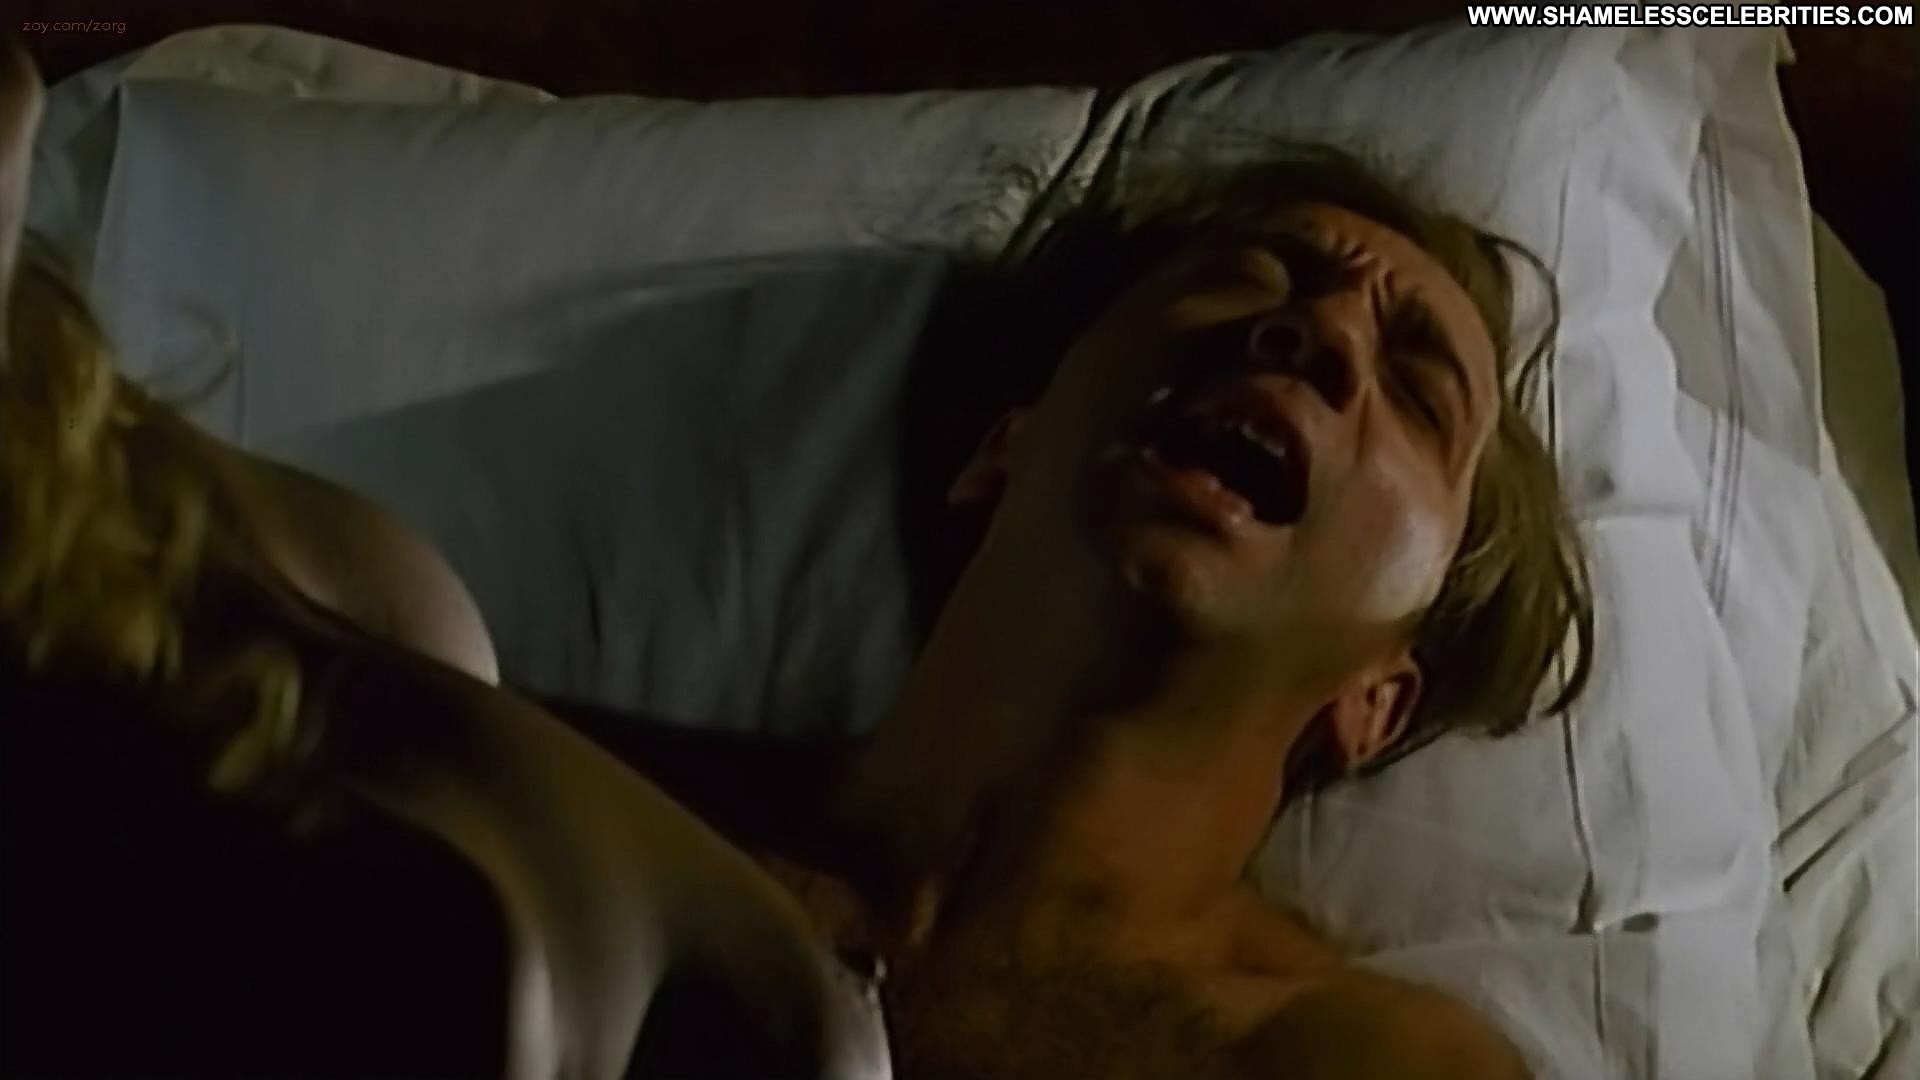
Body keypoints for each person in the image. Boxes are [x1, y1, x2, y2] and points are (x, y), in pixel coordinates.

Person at [0, 28, 1592, 1079]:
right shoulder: (549, 764)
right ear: (1005, 443)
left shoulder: (1346, 1057)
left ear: (1381, 698)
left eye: (1419, 386)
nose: (1320, 332)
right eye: (1260, 275)